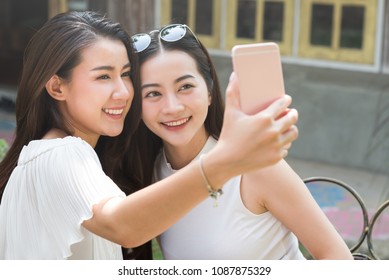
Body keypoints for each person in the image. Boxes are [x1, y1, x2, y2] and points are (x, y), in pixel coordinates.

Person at [0, 11, 299, 260]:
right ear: (56, 88)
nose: (123, 92)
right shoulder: (60, 154)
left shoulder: (59, 156)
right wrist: (229, 159)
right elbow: (123, 225)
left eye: (126, 74)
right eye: (103, 76)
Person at [131, 24, 353, 259]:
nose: (172, 107)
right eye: (153, 93)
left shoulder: (256, 167)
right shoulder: (150, 173)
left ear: (209, 91)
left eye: (185, 86)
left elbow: (338, 259)